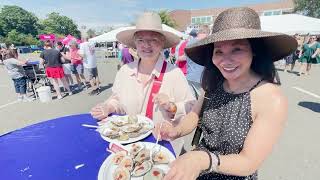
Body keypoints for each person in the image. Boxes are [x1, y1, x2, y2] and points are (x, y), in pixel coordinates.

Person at [154, 7, 297, 180]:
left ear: (255, 50)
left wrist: (202, 160)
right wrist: (175, 131)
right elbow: (194, 116)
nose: (226, 60)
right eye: (219, 51)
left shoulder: (272, 98)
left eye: (237, 49)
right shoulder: (214, 82)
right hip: (198, 170)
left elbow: (249, 162)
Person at [90, 12, 196, 155]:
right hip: (129, 146)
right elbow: (117, 100)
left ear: (162, 43)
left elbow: (191, 108)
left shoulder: (174, 73)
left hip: (164, 147)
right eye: (140, 40)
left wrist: (172, 107)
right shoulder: (125, 71)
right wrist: (107, 107)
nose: (146, 45)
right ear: (135, 44)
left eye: (153, 39)